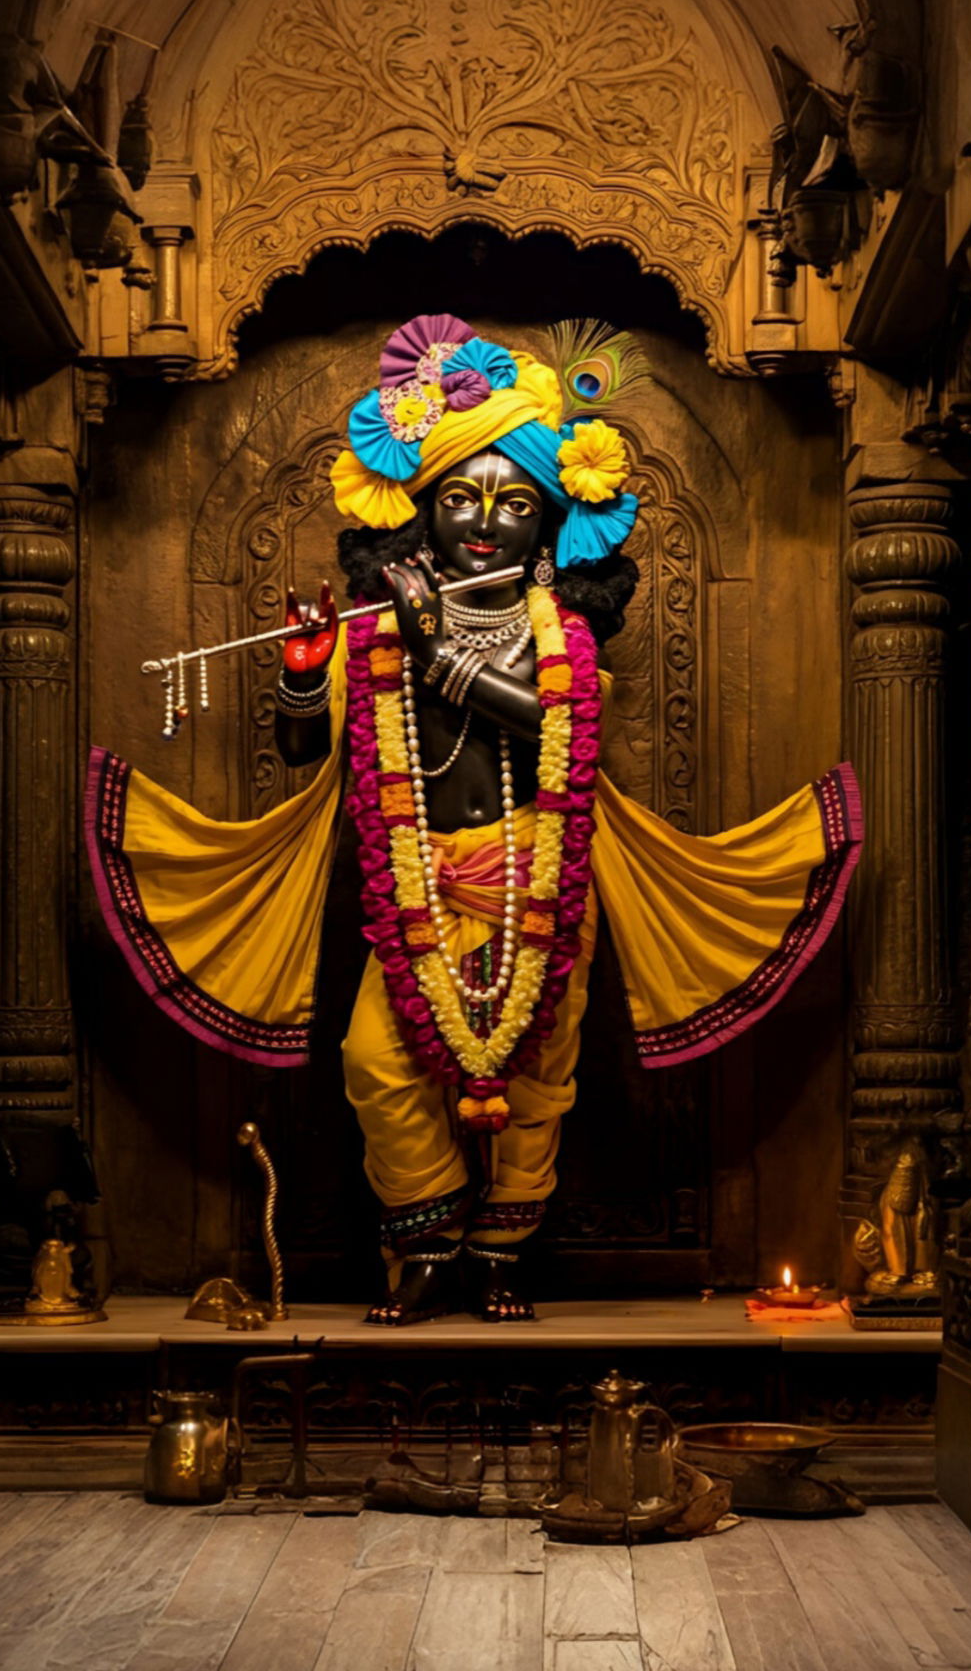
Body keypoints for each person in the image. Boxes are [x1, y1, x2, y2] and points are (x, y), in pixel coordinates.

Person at [86, 314, 863, 1325]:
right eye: (459, 497)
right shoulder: (376, 636)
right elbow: (303, 755)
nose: (484, 520)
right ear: (422, 514)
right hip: (415, 882)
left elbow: (554, 726)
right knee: (376, 1061)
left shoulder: (560, 632)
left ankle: (501, 1257)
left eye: (510, 501)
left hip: (539, 881)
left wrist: (437, 649)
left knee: (540, 1075)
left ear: (546, 526)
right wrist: (300, 672)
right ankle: (426, 1251)